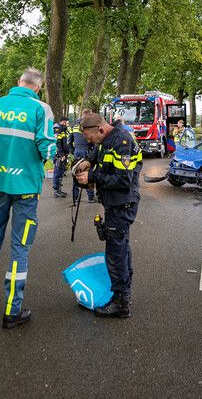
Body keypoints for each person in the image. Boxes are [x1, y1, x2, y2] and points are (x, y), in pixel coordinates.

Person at [0, 67, 56, 329]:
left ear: (18, 83)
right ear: (37, 88)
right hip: (26, 189)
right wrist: (38, 161)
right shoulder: (41, 109)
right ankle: (12, 310)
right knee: (20, 248)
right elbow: (48, 146)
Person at [74, 113, 142, 318]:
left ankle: (121, 303)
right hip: (114, 204)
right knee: (121, 248)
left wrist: (92, 176)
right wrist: (87, 161)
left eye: (90, 137)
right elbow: (99, 153)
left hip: (122, 204)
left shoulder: (122, 142)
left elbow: (122, 180)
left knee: (115, 254)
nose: (89, 141)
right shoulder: (106, 140)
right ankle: (124, 290)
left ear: (101, 130)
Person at [68, 109, 96, 203]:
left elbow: (70, 140)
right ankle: (90, 197)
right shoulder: (87, 125)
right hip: (86, 151)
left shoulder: (74, 125)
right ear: (87, 115)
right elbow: (92, 139)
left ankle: (74, 197)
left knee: (76, 173)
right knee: (87, 173)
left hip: (77, 151)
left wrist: (72, 150)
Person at [52, 117, 70, 198]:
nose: (68, 124)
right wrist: (61, 154)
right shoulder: (58, 129)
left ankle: (59, 189)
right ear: (63, 122)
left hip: (63, 154)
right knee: (58, 172)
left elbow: (65, 143)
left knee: (61, 172)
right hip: (59, 155)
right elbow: (57, 143)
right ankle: (56, 190)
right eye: (67, 122)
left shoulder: (64, 129)